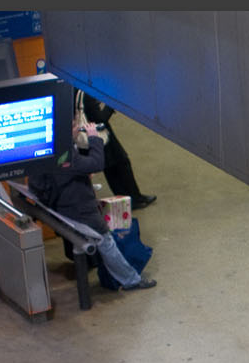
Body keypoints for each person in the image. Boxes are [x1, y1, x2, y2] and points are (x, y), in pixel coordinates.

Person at [27, 115, 156, 291]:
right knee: (106, 241)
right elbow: (96, 163)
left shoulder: (43, 149)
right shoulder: (64, 153)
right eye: (74, 126)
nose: (77, 128)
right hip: (79, 209)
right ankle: (131, 280)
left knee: (101, 242)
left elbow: (40, 182)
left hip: (61, 205)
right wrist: (94, 137)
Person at [81, 93, 158, 209]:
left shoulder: (76, 90)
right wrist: (112, 105)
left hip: (90, 135)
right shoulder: (86, 94)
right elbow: (100, 118)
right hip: (99, 135)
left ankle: (127, 199)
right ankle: (134, 199)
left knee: (113, 168)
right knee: (121, 163)